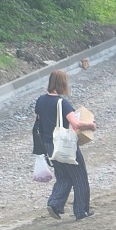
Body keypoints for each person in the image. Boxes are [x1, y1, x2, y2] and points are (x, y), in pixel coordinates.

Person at [32, 68, 92, 221]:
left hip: (48, 145)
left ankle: (54, 204)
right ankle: (81, 211)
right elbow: (76, 123)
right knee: (79, 177)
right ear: (62, 84)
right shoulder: (62, 103)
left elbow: (39, 120)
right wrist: (91, 125)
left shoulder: (40, 100)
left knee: (63, 176)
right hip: (65, 144)